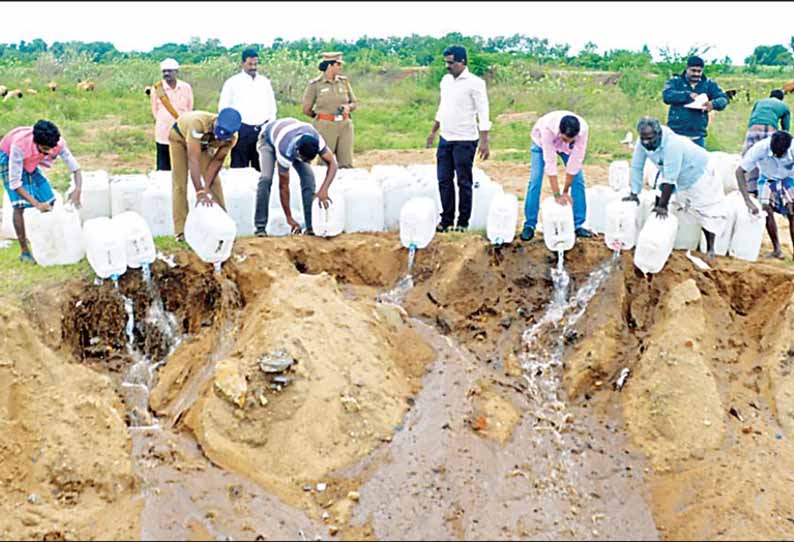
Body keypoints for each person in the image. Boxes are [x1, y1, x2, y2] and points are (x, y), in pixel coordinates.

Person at [623, 117, 730, 259]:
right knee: (668, 204)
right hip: (673, 174)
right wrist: (634, 193)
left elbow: (670, 179)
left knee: (705, 210)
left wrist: (662, 205)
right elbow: (637, 167)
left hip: (698, 173)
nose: (646, 142)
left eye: (649, 139)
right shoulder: (642, 143)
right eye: (643, 139)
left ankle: (711, 249)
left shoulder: (672, 144)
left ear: (658, 134)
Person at [426, 44, 491, 232]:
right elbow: (443, 107)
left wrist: (484, 141)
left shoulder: (475, 83)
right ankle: (446, 220)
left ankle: (463, 222)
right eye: (446, 62)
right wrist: (433, 131)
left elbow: (483, 112)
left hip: (465, 139)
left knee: (463, 182)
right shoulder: (445, 81)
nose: (448, 66)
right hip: (446, 138)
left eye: (451, 63)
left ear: (462, 62)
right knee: (443, 180)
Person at [0, 120, 83, 264]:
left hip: (30, 160)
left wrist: (78, 189)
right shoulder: (20, 145)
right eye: (45, 149)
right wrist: (36, 204)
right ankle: (25, 251)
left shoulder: (56, 143)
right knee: (19, 205)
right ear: (36, 143)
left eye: (52, 148)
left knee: (49, 199)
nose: (50, 152)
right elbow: (15, 183)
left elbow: (75, 168)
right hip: (8, 158)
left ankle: (50, 242)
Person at [253, 117, 339, 236]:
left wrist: (324, 190)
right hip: (268, 139)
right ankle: (260, 227)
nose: (306, 162)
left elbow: (333, 164)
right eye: (304, 160)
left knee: (309, 179)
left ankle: (311, 227)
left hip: (292, 132)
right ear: (297, 152)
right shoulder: (285, 150)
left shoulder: (316, 140)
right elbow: (283, 186)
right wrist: (289, 218)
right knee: (266, 179)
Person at [169, 108, 241, 240]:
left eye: (222, 137)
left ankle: (224, 226)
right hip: (179, 137)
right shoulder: (198, 124)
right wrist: (199, 191)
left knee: (215, 182)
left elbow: (217, 161)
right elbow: (193, 159)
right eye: (218, 133)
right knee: (180, 183)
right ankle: (181, 231)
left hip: (203, 144)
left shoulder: (232, 138)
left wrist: (206, 187)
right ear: (216, 121)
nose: (219, 138)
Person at [520, 111, 592, 241]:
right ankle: (530, 224)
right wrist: (557, 195)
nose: (567, 141)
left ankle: (578, 224)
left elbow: (575, 162)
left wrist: (565, 191)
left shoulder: (583, 130)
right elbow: (550, 163)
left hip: (568, 149)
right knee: (535, 180)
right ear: (560, 132)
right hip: (541, 143)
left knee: (579, 180)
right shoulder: (547, 128)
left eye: (571, 140)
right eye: (565, 139)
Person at [735, 131, 794, 260]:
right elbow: (740, 171)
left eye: (780, 154)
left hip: (789, 178)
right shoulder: (760, 149)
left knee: (792, 210)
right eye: (775, 153)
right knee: (766, 209)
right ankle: (777, 249)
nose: (777, 156)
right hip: (768, 178)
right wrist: (748, 201)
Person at [218, 48, 277, 171]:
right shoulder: (232, 82)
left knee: (262, 169)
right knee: (239, 169)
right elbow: (224, 108)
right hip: (241, 130)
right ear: (242, 63)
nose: (253, 67)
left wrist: (270, 127)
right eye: (250, 64)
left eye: (255, 64)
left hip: (262, 130)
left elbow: (272, 106)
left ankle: (261, 191)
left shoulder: (264, 82)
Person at [302, 52, 358, 168]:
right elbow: (306, 109)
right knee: (325, 163)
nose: (340, 67)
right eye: (338, 64)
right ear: (329, 65)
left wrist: (349, 107)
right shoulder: (315, 85)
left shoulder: (344, 82)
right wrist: (322, 117)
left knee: (346, 163)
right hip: (325, 127)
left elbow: (354, 103)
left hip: (344, 126)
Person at [662, 55, 728, 148]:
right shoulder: (676, 82)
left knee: (699, 162)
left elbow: (723, 99)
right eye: (693, 71)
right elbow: (667, 96)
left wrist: (713, 104)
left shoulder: (708, 84)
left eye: (699, 71)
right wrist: (687, 95)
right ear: (687, 69)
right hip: (676, 134)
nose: (696, 74)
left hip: (698, 135)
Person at [150, 57, 193, 171]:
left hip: (182, 131)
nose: (166, 73)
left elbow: (189, 107)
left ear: (176, 72)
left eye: (169, 71)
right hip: (164, 132)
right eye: (164, 71)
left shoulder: (186, 87)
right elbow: (154, 109)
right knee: (163, 164)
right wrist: (163, 121)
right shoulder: (158, 88)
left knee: (181, 164)